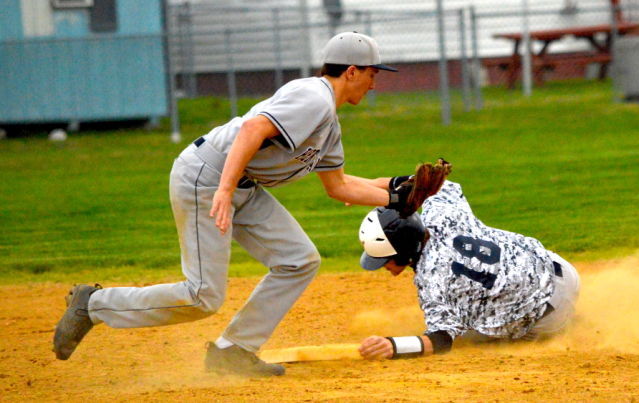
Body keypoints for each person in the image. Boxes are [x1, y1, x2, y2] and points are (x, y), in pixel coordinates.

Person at [52, 32, 413, 377]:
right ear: (351, 71)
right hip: (207, 177)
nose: (374, 82)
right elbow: (252, 130)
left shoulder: (328, 124)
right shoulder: (313, 97)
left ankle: (233, 350)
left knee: (299, 260)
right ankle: (94, 304)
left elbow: (341, 186)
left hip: (240, 185)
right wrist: (223, 190)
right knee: (202, 296)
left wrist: (399, 192)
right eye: (371, 73)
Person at [356, 179, 581, 360]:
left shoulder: (433, 282)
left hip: (548, 319)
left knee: (468, 334)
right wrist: (372, 183)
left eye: (385, 259)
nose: (383, 266)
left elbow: (441, 340)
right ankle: (575, 316)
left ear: (403, 252)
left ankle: (570, 324)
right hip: (562, 270)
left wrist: (392, 346)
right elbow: (434, 184)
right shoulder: (441, 215)